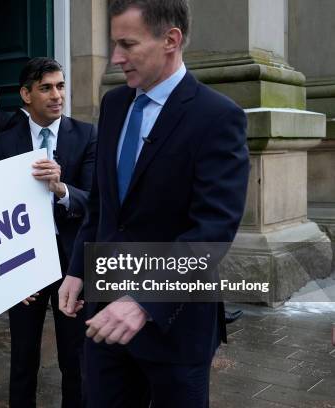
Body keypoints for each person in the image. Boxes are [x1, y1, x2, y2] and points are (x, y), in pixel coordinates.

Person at [58, 1, 250, 407]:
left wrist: (145, 300)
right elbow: (104, 205)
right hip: (104, 319)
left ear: (170, 40)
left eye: (127, 44)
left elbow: (211, 232)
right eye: (113, 44)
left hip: (175, 328)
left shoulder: (218, 117)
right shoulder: (113, 105)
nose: (116, 58)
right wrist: (78, 269)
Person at [0, 57, 97, 408]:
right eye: (46, 88)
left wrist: (60, 188)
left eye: (61, 86)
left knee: (75, 358)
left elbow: (94, 202)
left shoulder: (86, 135)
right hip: (24, 261)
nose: (57, 95)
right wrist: (8, 270)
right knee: (22, 357)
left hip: (73, 262)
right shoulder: (4, 140)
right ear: (26, 94)